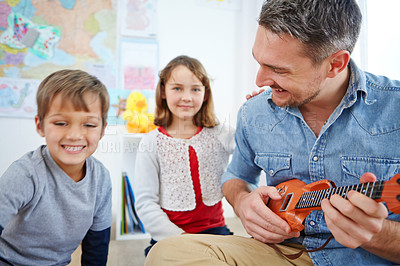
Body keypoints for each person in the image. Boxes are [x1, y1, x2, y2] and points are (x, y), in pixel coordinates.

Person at [144, 0, 400, 265]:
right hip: (286, 253)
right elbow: (236, 177)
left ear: (335, 64)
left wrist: (377, 235)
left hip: (368, 259)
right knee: (164, 253)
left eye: (278, 70)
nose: (259, 80)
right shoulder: (254, 113)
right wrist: (243, 202)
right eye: (259, 62)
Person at [0, 70, 112, 265]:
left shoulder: (101, 178)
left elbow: (97, 245)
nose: (75, 135)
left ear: (103, 129)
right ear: (40, 125)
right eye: (61, 123)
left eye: (89, 125)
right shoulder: (25, 174)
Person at [133, 55, 235, 256]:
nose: (187, 97)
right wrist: (181, 239)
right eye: (177, 88)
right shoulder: (151, 143)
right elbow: (145, 203)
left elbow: (254, 148)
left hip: (215, 232)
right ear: (163, 91)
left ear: (205, 94)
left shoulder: (222, 134)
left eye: (195, 89)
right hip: (170, 236)